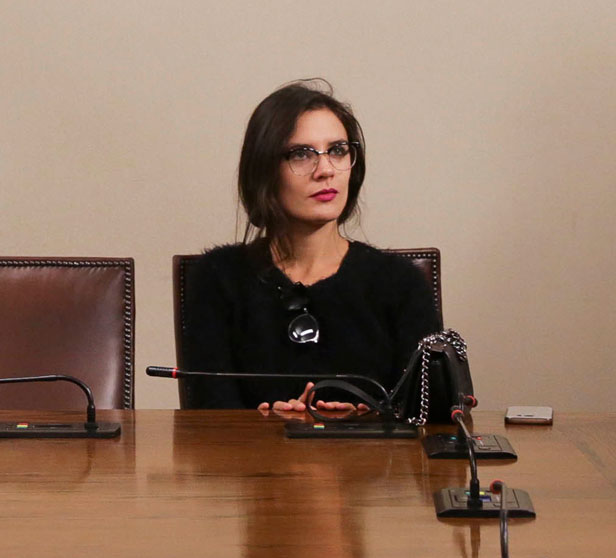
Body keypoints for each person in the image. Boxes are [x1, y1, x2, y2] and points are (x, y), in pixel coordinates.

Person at [177, 80, 440, 414]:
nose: (325, 170)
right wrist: (265, 428)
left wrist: (366, 423)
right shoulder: (219, 278)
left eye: (338, 150)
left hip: (368, 450)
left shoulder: (400, 283)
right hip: (251, 451)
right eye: (301, 154)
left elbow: (430, 418)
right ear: (264, 170)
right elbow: (208, 416)